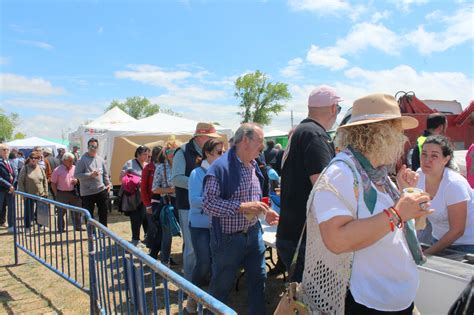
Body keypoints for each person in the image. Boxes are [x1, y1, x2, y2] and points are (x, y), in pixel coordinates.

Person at [301, 93, 430, 314]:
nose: (402, 139)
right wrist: (398, 213)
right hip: (367, 302)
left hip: (393, 298)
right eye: (397, 130)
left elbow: (381, 220)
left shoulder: (375, 174)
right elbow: (336, 240)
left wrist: (402, 195)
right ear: (378, 133)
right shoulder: (340, 173)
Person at [202, 123, 279, 314]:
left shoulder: (254, 165)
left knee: (258, 280)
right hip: (228, 239)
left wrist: (264, 210)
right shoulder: (219, 168)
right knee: (221, 287)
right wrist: (240, 207)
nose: (262, 147)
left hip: (253, 235)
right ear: (245, 140)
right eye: (259, 141)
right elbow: (208, 204)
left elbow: (253, 199)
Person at [276, 85, 341, 282]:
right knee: (311, 305)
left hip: (292, 233)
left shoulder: (301, 132)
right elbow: (324, 187)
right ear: (332, 108)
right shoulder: (315, 135)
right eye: (338, 110)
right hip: (304, 238)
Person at [171, 122, 221, 281]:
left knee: (205, 247)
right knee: (191, 247)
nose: (213, 140)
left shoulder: (210, 153)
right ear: (200, 136)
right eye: (211, 137)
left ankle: (202, 278)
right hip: (188, 206)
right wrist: (198, 184)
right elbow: (176, 179)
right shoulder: (182, 152)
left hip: (208, 208)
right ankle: (189, 282)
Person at [416, 135, 474, 254]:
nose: (427, 160)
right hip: (437, 239)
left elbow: (457, 230)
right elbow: (416, 215)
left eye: (434, 156)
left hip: (467, 245)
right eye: (424, 154)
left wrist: (428, 253)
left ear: (446, 159)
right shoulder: (419, 175)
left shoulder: (454, 185)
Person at [186, 138, 224, 313]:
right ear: (208, 153)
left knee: (215, 263)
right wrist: (217, 202)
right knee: (203, 263)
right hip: (200, 225)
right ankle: (192, 300)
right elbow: (194, 201)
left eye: (223, 152)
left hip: (216, 224)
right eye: (219, 152)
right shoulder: (196, 173)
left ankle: (210, 301)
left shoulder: (221, 172)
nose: (222, 156)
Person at [74, 138, 111, 226]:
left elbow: (105, 174)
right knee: (89, 214)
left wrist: (108, 184)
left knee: (103, 212)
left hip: (101, 190)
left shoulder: (100, 159)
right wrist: (90, 175)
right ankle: (92, 233)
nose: (92, 148)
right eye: (90, 146)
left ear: (97, 147)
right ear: (87, 147)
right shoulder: (82, 160)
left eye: (94, 146)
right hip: (87, 192)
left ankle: (104, 231)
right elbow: (77, 175)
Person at [120, 145, 150, 247]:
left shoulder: (147, 164)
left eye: (147, 154)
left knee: (146, 216)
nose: (146, 156)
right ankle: (135, 238)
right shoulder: (130, 164)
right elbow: (122, 179)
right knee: (135, 217)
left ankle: (147, 237)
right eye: (144, 154)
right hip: (133, 196)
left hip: (145, 195)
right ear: (138, 154)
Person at [151, 145, 177, 263]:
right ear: (165, 153)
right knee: (167, 235)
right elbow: (155, 189)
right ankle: (165, 262)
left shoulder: (182, 165)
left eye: (174, 150)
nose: (171, 153)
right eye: (168, 151)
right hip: (168, 203)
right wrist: (171, 190)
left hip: (184, 203)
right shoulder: (161, 168)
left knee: (187, 235)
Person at [50, 153, 83, 232]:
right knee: (61, 212)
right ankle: (61, 228)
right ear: (64, 161)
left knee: (77, 210)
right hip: (61, 193)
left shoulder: (75, 168)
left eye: (72, 161)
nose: (72, 162)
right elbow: (53, 183)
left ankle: (78, 226)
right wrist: (56, 194)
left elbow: (80, 178)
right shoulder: (57, 170)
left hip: (74, 192)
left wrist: (77, 181)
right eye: (70, 161)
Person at [17, 151, 48, 231]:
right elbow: (20, 182)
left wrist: (46, 192)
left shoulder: (40, 168)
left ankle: (41, 225)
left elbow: (45, 181)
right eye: (32, 158)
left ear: (38, 159)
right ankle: (27, 227)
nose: (33, 160)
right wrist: (23, 194)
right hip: (29, 194)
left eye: (36, 158)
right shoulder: (25, 168)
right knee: (28, 211)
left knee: (41, 210)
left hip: (41, 193)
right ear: (29, 159)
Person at [141, 146, 162, 258]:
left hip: (161, 201)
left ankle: (162, 253)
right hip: (152, 202)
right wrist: (147, 204)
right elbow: (143, 188)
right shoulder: (148, 168)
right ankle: (152, 252)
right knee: (153, 228)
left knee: (161, 229)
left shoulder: (164, 166)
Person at [0, 144, 16, 232]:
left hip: (10, 190)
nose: (6, 151)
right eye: (3, 149)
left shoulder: (11, 162)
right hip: (1, 189)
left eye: (7, 149)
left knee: (11, 208)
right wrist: (8, 185)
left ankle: (11, 227)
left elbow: (15, 175)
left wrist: (13, 185)